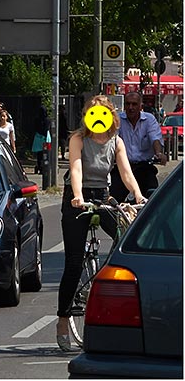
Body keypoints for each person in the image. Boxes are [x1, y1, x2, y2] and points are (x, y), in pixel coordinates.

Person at [56, 95, 146, 351]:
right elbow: (76, 168)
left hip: (101, 195)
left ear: (110, 117)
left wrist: (138, 194)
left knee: (125, 233)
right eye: (92, 113)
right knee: (73, 262)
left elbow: (125, 172)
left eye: (102, 113)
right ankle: (63, 318)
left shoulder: (116, 142)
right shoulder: (78, 139)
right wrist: (77, 196)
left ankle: (104, 273)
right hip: (77, 197)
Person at [110, 91, 166, 202]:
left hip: (144, 167)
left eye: (134, 104)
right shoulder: (118, 120)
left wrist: (158, 153)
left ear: (141, 106)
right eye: (128, 104)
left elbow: (155, 138)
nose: (130, 107)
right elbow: (112, 139)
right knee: (112, 199)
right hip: (122, 167)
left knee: (153, 196)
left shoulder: (149, 119)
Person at [32, 104, 51, 177]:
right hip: (46, 137)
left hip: (38, 137)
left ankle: (39, 166)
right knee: (46, 153)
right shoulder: (48, 120)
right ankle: (45, 167)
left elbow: (34, 128)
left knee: (39, 154)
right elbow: (47, 128)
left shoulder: (36, 119)